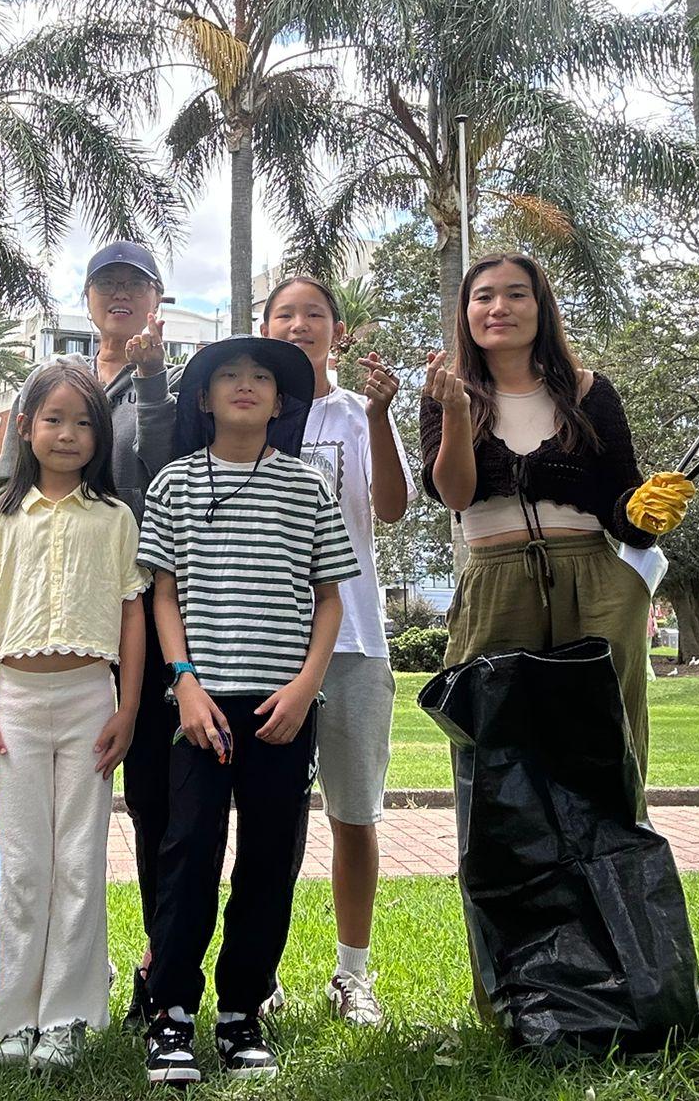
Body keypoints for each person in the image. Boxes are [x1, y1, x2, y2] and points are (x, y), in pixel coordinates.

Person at [137, 338, 358, 1085]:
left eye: (260, 378)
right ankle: (171, 1014)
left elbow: (329, 598)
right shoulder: (173, 484)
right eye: (227, 377)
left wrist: (304, 688)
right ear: (202, 399)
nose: (244, 386)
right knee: (188, 855)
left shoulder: (307, 486)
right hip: (200, 706)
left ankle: (241, 1012)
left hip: (283, 708)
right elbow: (162, 592)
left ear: (280, 399)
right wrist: (186, 683)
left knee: (269, 859)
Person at [0, 239, 175, 1024]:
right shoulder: (52, 382)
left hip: (136, 620)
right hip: (39, 652)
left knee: (157, 811)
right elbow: (7, 498)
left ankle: (157, 970)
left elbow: (172, 464)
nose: (121, 295)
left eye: (135, 283)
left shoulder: (169, 377)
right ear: (90, 298)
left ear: (156, 295)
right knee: (40, 847)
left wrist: (159, 376)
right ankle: (51, 987)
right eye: (108, 284)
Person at [421, 252, 695, 774]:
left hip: (594, 581)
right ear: (465, 312)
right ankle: (499, 861)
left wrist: (646, 511)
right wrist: (456, 412)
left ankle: (611, 857)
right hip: (494, 583)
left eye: (516, 294)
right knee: (494, 755)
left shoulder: (591, 392)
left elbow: (622, 507)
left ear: (542, 308)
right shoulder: (445, 393)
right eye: (483, 296)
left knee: (605, 750)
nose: (499, 307)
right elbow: (454, 495)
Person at [0, 361, 147, 1070]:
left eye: (83, 422)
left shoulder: (114, 519)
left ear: (99, 437)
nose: (67, 434)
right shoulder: (1, 517)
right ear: (25, 428)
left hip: (88, 702)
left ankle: (66, 1017)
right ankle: (15, 1015)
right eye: (53, 419)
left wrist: (128, 706)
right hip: (14, 701)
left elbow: (133, 617)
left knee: (78, 860)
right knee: (24, 865)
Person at [261, 275, 411, 1027]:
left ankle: (353, 974)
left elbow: (389, 507)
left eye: (312, 314)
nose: (297, 325)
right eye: (283, 314)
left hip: (352, 641)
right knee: (266, 818)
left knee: (354, 814)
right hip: (263, 646)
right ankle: (259, 971)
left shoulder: (357, 415)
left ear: (337, 332)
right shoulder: (249, 415)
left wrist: (382, 417)